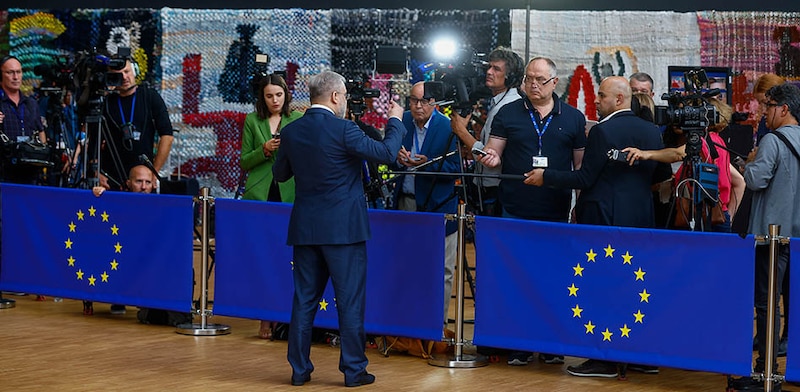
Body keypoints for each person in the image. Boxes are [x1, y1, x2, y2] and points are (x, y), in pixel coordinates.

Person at [526, 76, 671, 377]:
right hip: (641, 219)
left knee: (604, 287)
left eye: (601, 96)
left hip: (604, 220)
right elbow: (660, 177)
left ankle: (604, 359)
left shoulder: (603, 131)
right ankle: (638, 356)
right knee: (635, 287)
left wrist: (546, 176)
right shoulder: (652, 131)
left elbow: (584, 179)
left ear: (619, 99)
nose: (596, 100)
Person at [273, 70, 406, 388]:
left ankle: (299, 370)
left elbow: (280, 175)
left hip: (305, 228)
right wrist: (395, 120)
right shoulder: (345, 130)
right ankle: (353, 370)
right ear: (334, 96)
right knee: (349, 301)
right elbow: (387, 154)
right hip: (344, 231)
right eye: (344, 95)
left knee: (304, 300)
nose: (346, 100)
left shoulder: (291, 131)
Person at [477, 56, 586, 366]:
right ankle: (520, 343)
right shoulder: (508, 113)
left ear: (554, 83)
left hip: (555, 209)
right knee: (518, 277)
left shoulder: (574, 118)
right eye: (528, 79)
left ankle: (551, 343)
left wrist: (578, 206)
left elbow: (579, 167)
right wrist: (491, 159)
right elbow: (494, 152)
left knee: (553, 276)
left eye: (540, 79)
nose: (533, 85)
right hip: (515, 207)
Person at [731, 83, 800, 390]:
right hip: (796, 238)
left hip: (772, 236)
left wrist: (751, 160)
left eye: (768, 106)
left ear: (784, 109)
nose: (763, 112)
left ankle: (766, 370)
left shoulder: (772, 140)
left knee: (766, 303)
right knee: (791, 302)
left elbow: (757, 180)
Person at [239, 74, 303, 340]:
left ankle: (287, 318)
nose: (275, 100)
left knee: (288, 260)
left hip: (291, 195)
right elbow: (244, 162)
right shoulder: (252, 121)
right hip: (260, 197)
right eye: (269, 96)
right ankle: (265, 318)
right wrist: (263, 150)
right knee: (264, 259)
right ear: (262, 98)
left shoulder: (297, 119)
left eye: (279, 94)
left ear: (286, 94)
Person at [392, 81, 459, 329]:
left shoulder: (448, 127)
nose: (417, 106)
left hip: (438, 205)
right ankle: (405, 322)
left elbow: (457, 168)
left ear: (434, 103)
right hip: (406, 203)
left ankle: (435, 324)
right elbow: (386, 157)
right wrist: (396, 159)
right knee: (405, 263)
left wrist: (427, 162)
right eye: (413, 100)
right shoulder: (403, 121)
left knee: (441, 269)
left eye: (423, 101)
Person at [623, 99, 746, 232]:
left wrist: (645, 154)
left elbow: (678, 154)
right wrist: (728, 216)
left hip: (706, 217)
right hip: (718, 216)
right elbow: (739, 181)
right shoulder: (717, 141)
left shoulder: (706, 141)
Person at [450, 46, 524, 216]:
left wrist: (461, 131)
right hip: (490, 187)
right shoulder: (500, 102)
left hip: (495, 191)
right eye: (489, 67)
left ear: (510, 76)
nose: (489, 72)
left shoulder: (508, 107)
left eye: (496, 69)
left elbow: (488, 156)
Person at [97, 57, 173, 191]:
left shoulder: (150, 97)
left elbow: (167, 135)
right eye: (119, 74)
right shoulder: (107, 103)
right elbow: (94, 140)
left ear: (135, 71)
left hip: (142, 177)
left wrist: (154, 173)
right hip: (111, 178)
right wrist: (97, 172)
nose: (125, 77)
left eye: (127, 71)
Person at [0, 55, 47, 185]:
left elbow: (40, 130)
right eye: (10, 73)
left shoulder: (31, 103)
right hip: (4, 173)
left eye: (18, 72)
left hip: (30, 174)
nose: (16, 77)